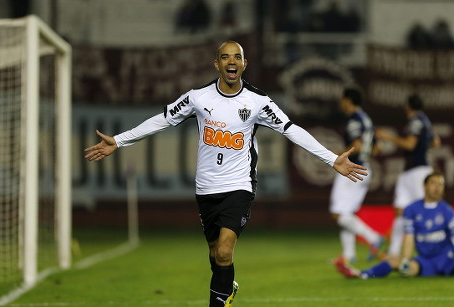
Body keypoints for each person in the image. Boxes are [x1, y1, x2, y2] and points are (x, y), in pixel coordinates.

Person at [84, 41, 367, 307]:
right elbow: (163, 119)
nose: (231, 61)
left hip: (239, 185)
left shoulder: (258, 102)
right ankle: (227, 286)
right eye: (225, 57)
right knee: (214, 254)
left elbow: (291, 129)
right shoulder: (197, 98)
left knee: (224, 251)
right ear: (216, 64)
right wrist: (120, 140)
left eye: (237, 57)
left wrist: (331, 159)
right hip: (206, 187)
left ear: (244, 64)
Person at [335, 172, 454, 279]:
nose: (437, 187)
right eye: (434, 183)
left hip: (448, 259)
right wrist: (406, 260)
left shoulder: (447, 211)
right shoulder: (411, 209)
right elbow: (409, 237)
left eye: (440, 184)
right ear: (424, 186)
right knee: (398, 264)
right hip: (426, 261)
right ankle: (361, 274)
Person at [376, 94, 440, 262]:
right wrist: (424, 148)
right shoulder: (425, 120)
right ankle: (394, 252)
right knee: (400, 211)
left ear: (408, 106)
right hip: (411, 172)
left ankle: (432, 250)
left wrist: (388, 137)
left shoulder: (416, 121)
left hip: (418, 171)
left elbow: (410, 144)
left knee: (424, 210)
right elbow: (436, 142)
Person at [330, 88, 383, 264]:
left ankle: (373, 237)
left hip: (352, 168)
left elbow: (357, 146)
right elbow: (376, 149)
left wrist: (333, 156)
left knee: (338, 214)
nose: (340, 103)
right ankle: (349, 255)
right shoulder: (366, 119)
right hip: (365, 168)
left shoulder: (353, 119)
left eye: (342, 100)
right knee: (347, 214)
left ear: (348, 100)